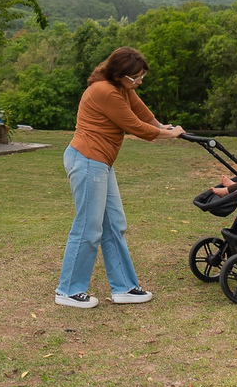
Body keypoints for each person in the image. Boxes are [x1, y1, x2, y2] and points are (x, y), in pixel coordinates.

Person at [55, 47, 184, 309]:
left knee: (114, 224)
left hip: (101, 163)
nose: (139, 82)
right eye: (135, 77)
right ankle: (68, 290)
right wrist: (170, 135)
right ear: (119, 74)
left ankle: (124, 287)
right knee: (88, 227)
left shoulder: (123, 88)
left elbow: (142, 113)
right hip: (88, 160)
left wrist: (161, 126)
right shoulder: (105, 91)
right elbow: (134, 126)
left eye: (141, 77)